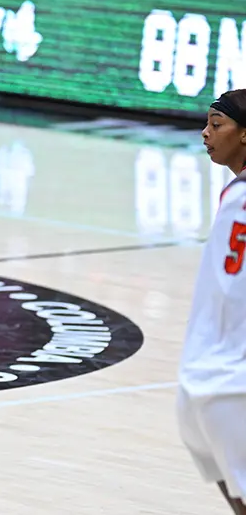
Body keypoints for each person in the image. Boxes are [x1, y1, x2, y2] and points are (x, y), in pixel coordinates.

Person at [177, 88, 246, 515]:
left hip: (230, 377)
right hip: (201, 371)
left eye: (217, 125)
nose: (206, 134)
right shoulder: (234, 193)